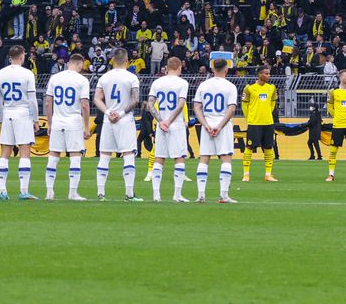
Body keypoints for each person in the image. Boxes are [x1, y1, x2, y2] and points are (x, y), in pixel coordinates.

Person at [93, 47, 143, 201]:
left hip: (109, 120)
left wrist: (108, 113)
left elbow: (96, 98)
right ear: (127, 61)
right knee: (128, 154)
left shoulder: (105, 77)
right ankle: (129, 194)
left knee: (105, 155)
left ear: (113, 60)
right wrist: (120, 113)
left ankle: (101, 193)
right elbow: (135, 100)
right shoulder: (131, 77)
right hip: (125, 120)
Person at [0, 45, 39, 200]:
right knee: (25, 152)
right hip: (23, 113)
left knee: (5, 153)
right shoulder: (27, 74)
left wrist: (1, 116)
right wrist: (36, 119)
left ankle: (2, 191)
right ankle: (23, 191)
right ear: (22, 56)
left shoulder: (0, 73)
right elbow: (32, 99)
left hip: (7, 112)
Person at [44, 53, 91, 201]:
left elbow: (48, 102)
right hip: (74, 122)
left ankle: (49, 192)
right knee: (75, 156)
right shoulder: (82, 80)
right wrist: (87, 126)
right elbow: (84, 105)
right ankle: (72, 193)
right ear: (79, 64)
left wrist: (50, 123)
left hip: (57, 121)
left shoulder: (55, 78)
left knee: (53, 156)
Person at [193, 56, 239, 203]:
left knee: (204, 159)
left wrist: (206, 125)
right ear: (226, 69)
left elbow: (197, 107)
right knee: (226, 159)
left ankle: (201, 195)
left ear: (212, 69)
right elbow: (231, 109)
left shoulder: (203, 85)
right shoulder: (230, 86)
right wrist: (219, 127)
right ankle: (224, 195)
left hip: (207, 125)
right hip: (223, 126)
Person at [147, 56, 190, 202]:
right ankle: (177, 195)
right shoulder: (182, 83)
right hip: (176, 125)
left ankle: (156, 194)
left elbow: (150, 104)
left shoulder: (157, 82)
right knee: (179, 158)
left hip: (161, 126)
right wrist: (169, 121)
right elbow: (181, 104)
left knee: (159, 159)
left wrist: (161, 121)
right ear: (179, 67)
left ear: (167, 67)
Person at [241, 65, 278, 182]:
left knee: (268, 148)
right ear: (259, 74)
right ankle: (246, 174)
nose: (268, 76)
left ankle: (268, 174)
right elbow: (244, 105)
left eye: (269, 73)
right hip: (254, 123)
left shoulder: (272, 88)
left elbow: (273, 102)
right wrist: (249, 118)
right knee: (249, 147)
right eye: (266, 73)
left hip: (268, 122)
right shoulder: (249, 88)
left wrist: (268, 113)